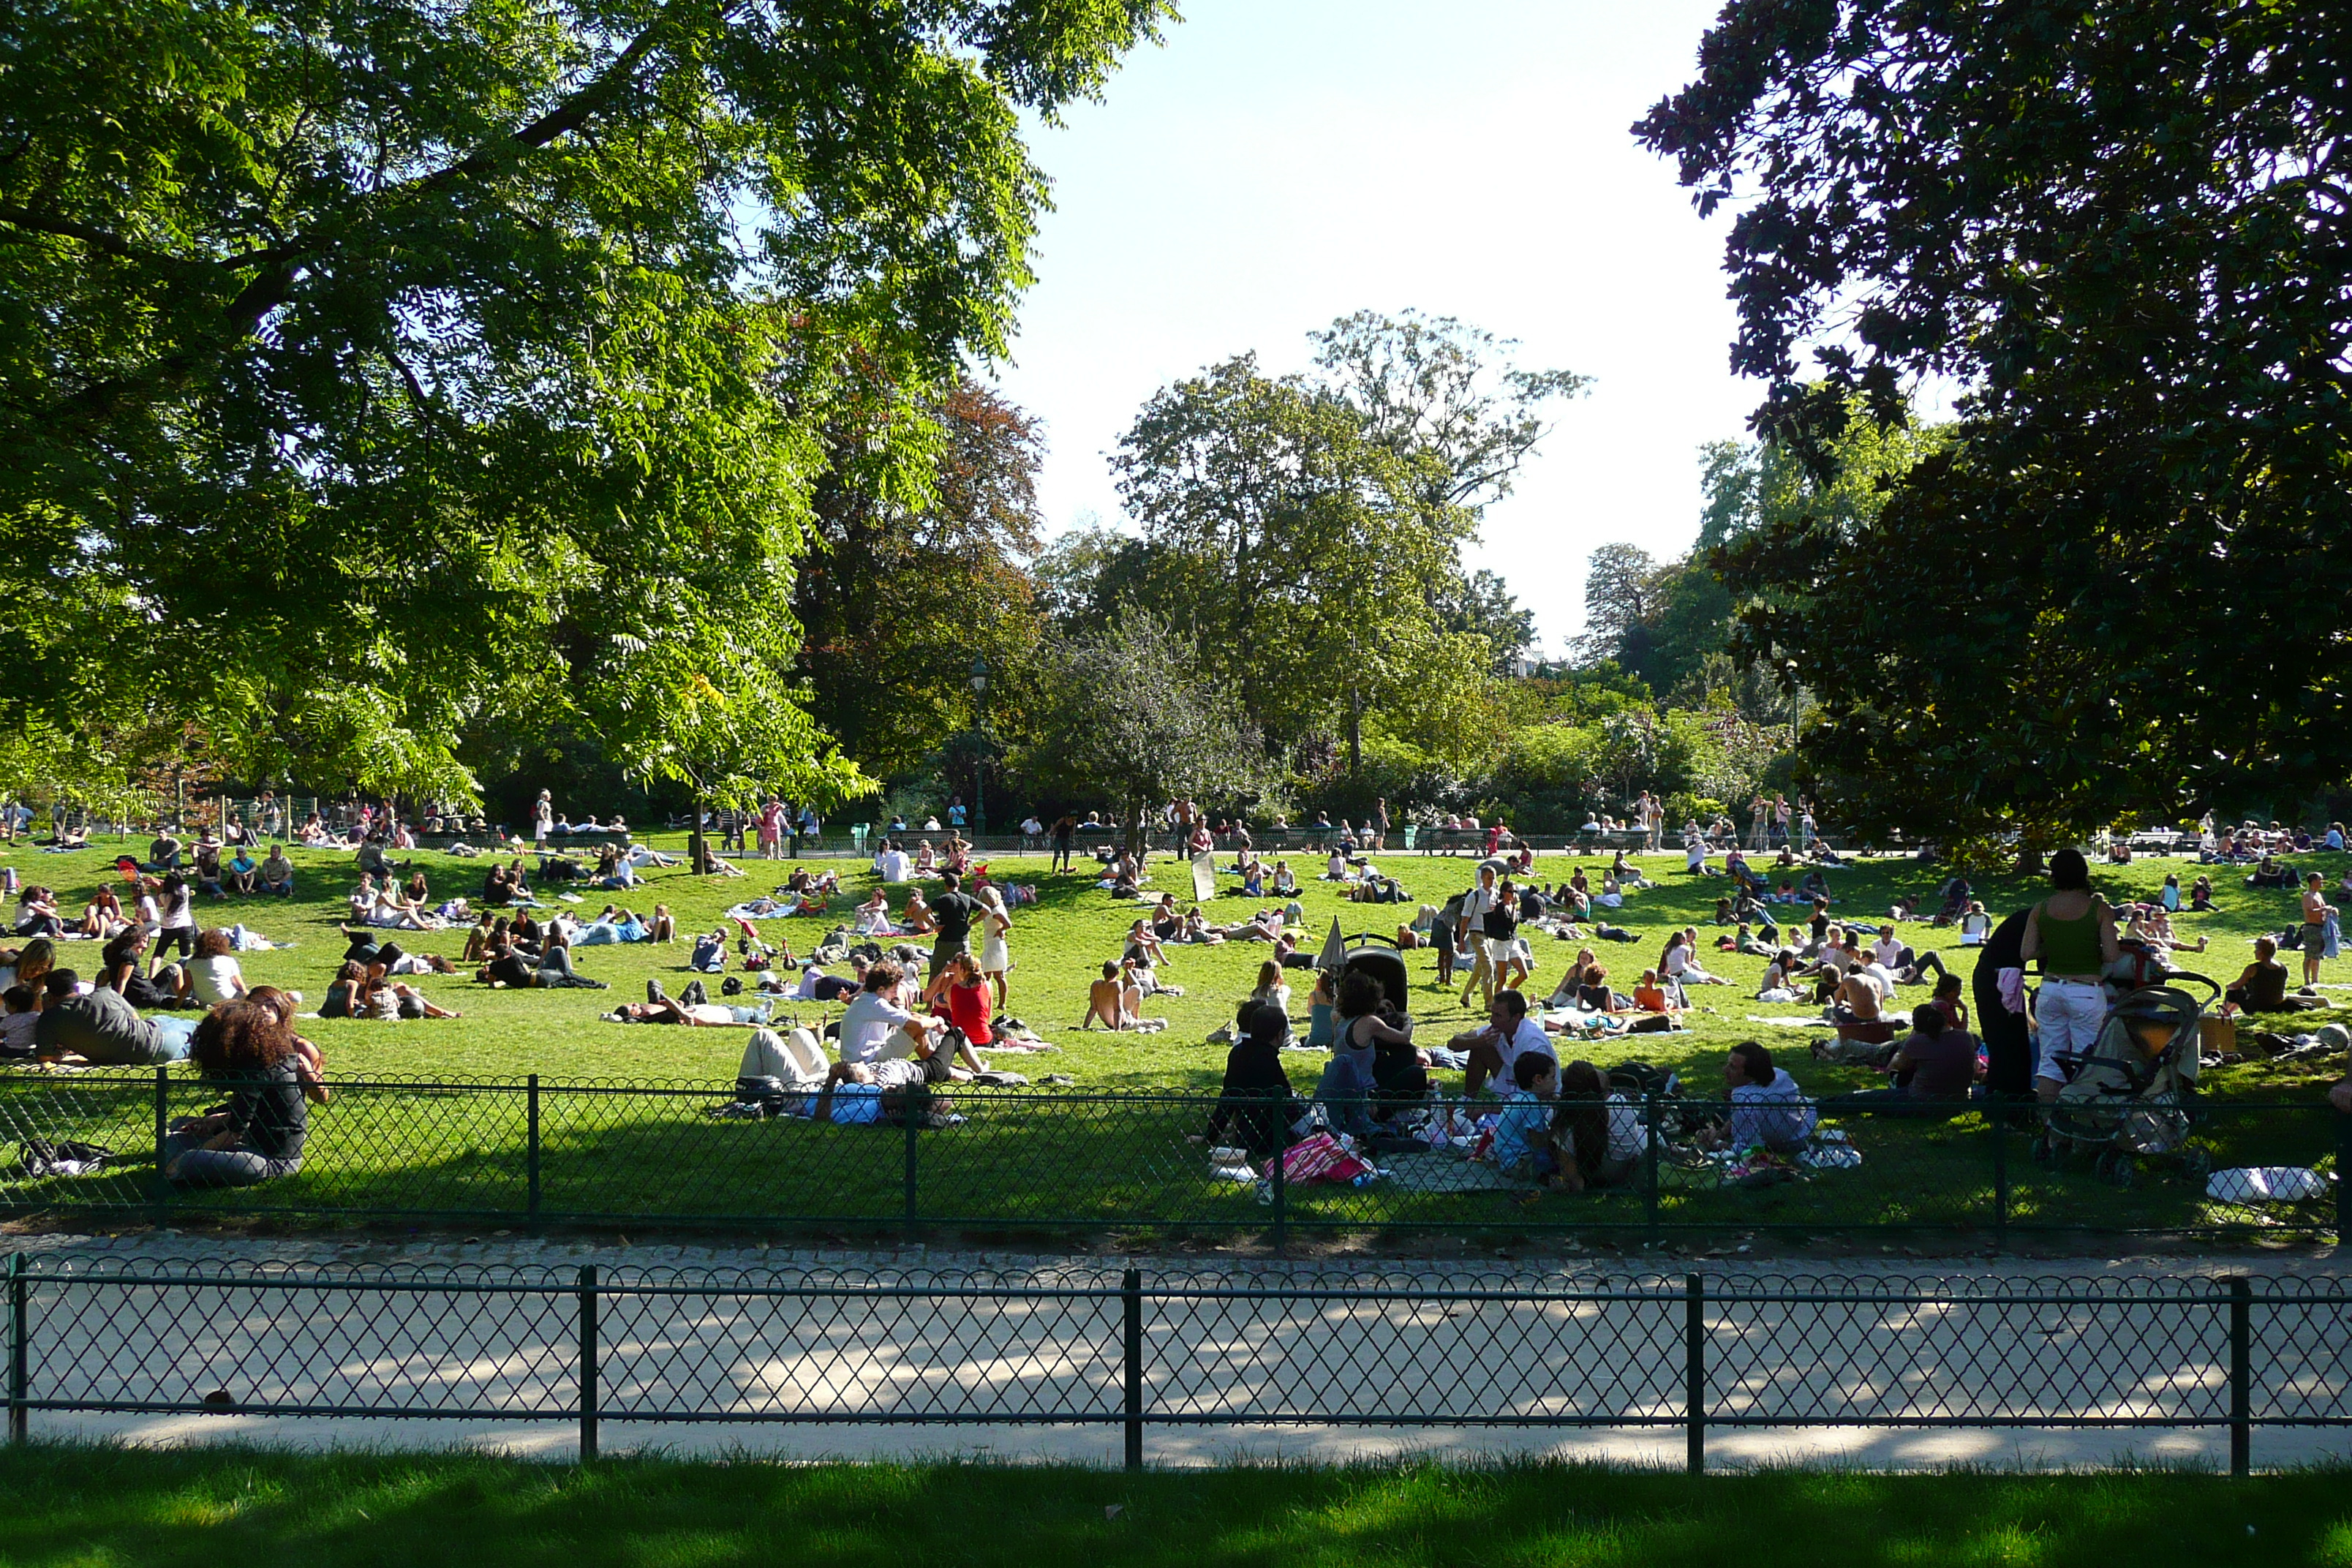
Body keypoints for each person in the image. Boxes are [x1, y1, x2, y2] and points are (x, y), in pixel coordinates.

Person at [161, 998, 309, 1187]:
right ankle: (184, 1167)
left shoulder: (259, 1071)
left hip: (274, 1161)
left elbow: (235, 1132)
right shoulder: (259, 1064)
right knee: (180, 1126)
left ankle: (181, 1167)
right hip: (249, 1144)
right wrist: (215, 1120)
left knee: (188, 1158)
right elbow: (248, 1114)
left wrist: (185, 1157)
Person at [2020, 848, 2122, 1102]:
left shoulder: (2040, 908)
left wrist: (2053, 945)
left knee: (2050, 1061)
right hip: (2085, 991)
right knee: (2085, 1060)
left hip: (2051, 988)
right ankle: (2079, 1124)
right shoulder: (2099, 909)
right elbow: (2111, 955)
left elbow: (2027, 952)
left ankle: (2049, 1130)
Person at [1827, 1005, 1980, 1115]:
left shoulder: (1918, 1042)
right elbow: (1975, 1067)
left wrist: (1913, 1037)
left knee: (1863, 1098)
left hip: (1922, 1101)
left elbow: (1893, 1067)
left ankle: (1821, 1104)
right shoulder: (1966, 1037)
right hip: (1959, 1100)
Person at [1203, 1000, 1302, 1161]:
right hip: (1273, 1137)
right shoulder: (1268, 1059)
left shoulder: (1237, 1053)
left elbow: (1228, 1097)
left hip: (1245, 1136)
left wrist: (1211, 1135)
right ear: (1279, 1035)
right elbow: (1287, 1101)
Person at [34, 969, 197, 1064]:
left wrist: (66, 1050)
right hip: (155, 1042)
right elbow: (135, 1018)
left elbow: (45, 1057)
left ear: (50, 994)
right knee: (194, 1027)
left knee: (166, 1023)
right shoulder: (104, 995)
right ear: (77, 987)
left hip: (144, 1056)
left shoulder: (48, 1020)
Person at [1697, 1041, 1817, 1153]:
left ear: (1751, 1075)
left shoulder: (1744, 1101)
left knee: (1719, 1110)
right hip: (1803, 1124)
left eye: (1732, 1067)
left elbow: (1750, 1149)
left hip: (1785, 1144)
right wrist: (1720, 1134)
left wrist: (1715, 1143)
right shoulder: (1780, 1075)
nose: (1725, 1070)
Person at [1452, 988, 1553, 1101]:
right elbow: (1452, 1044)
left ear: (1516, 1017)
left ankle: (1471, 1109)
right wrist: (1478, 1041)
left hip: (1534, 1101)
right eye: (1492, 1014)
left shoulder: (1532, 1041)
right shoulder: (1496, 1030)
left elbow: (1540, 1092)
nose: (1491, 1020)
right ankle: (1467, 1101)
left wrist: (1483, 1109)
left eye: (1498, 1016)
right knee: (1480, 1047)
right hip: (1514, 1086)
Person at [1490, 1053, 1567, 1186]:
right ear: (1538, 1080)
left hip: (1508, 1160)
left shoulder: (1523, 1098)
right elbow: (1539, 1142)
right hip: (1519, 1163)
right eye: (1553, 1078)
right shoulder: (1531, 1105)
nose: (1556, 1083)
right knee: (1561, 1162)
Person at [927, 868, 982, 981]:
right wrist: (971, 923)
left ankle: (931, 995)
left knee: (937, 969)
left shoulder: (942, 899)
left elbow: (924, 912)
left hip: (945, 940)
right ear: (959, 884)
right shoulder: (967, 898)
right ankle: (966, 990)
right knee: (965, 968)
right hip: (962, 940)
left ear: (946, 886)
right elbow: (986, 911)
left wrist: (933, 925)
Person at [187, 928, 249, 1006]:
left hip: (203, 1000)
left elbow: (187, 986)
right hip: (227, 998)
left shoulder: (191, 962)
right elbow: (241, 986)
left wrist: (177, 1004)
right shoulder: (228, 961)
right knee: (245, 992)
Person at [976, 888, 1013, 1009]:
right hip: (989, 943)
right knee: (988, 975)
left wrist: (1000, 930)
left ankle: (1000, 1003)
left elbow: (1008, 924)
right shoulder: (993, 910)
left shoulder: (996, 912)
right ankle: (986, 1001)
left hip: (995, 945)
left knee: (997, 975)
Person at [2302, 872, 2335, 991]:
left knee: (2317, 955)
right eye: (2320, 880)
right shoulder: (2308, 895)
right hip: (2312, 927)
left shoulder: (2319, 895)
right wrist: (2323, 909)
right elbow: (2309, 911)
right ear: (2314, 882)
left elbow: (2324, 911)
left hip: (2322, 927)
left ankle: (2315, 980)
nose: (2322, 883)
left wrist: (2332, 911)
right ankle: (2307, 980)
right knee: (2310, 954)